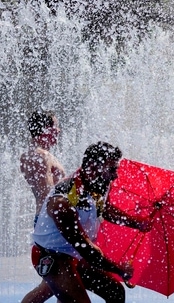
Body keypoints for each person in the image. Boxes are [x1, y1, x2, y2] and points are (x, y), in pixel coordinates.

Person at [31, 141, 151, 303]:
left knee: (115, 292)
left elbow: (106, 210)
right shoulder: (62, 202)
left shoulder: (98, 184)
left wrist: (136, 222)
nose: (115, 175)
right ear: (93, 167)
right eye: (111, 169)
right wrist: (119, 269)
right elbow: (88, 251)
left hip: (75, 254)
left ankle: (60, 283)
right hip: (53, 256)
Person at [20, 110, 65, 303]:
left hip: (51, 220)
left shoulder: (44, 155)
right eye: (55, 126)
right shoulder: (38, 156)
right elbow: (48, 195)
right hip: (50, 222)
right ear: (44, 130)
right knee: (55, 283)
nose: (59, 130)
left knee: (60, 282)